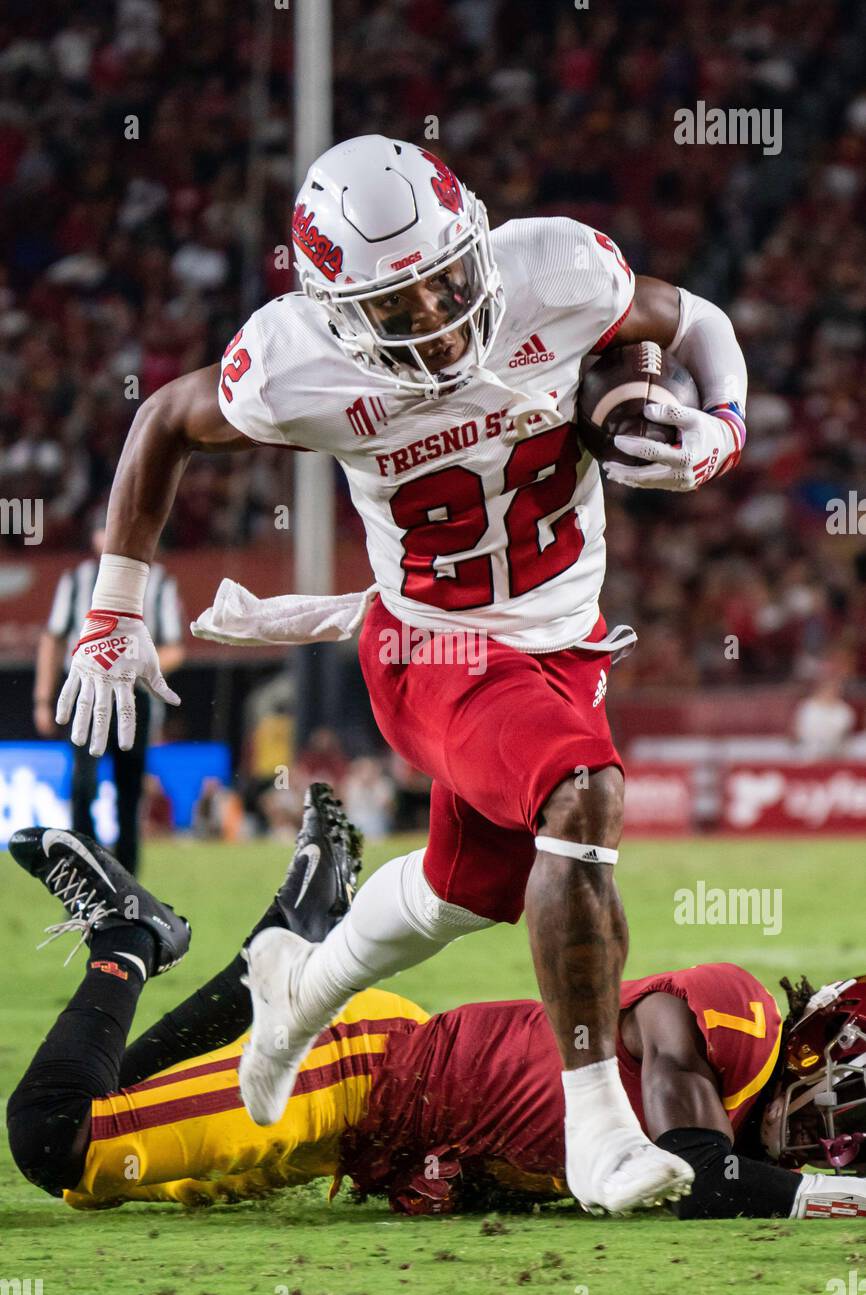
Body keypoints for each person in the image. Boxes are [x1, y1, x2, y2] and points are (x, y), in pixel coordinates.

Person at [52, 135, 749, 1213]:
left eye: (444, 284)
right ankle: (597, 1130)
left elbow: (689, 318)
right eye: (397, 307)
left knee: (466, 892)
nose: (432, 317)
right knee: (583, 795)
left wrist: (720, 429)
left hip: (562, 643)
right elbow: (162, 422)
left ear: (476, 241)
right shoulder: (291, 362)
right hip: (433, 646)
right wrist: (112, 604)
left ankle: (299, 985)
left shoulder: (555, 271)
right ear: (334, 312)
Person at [6, 787, 866, 1222]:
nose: (837, 1138)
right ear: (819, 1043)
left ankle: (285, 945)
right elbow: (704, 1176)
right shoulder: (740, 1019)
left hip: (378, 1132)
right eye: (851, 1099)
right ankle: (130, 939)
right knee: (57, 1139)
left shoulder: (743, 1115)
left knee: (95, 1174)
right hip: (365, 1073)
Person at [33, 520, 184, 872]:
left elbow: (176, 648)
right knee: (82, 785)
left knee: (129, 791)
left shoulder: (159, 583)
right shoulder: (75, 580)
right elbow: (52, 638)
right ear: (95, 537)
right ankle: (87, 871)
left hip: (133, 698)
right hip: (85, 690)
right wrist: (43, 698)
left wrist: (135, 667)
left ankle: (128, 885)